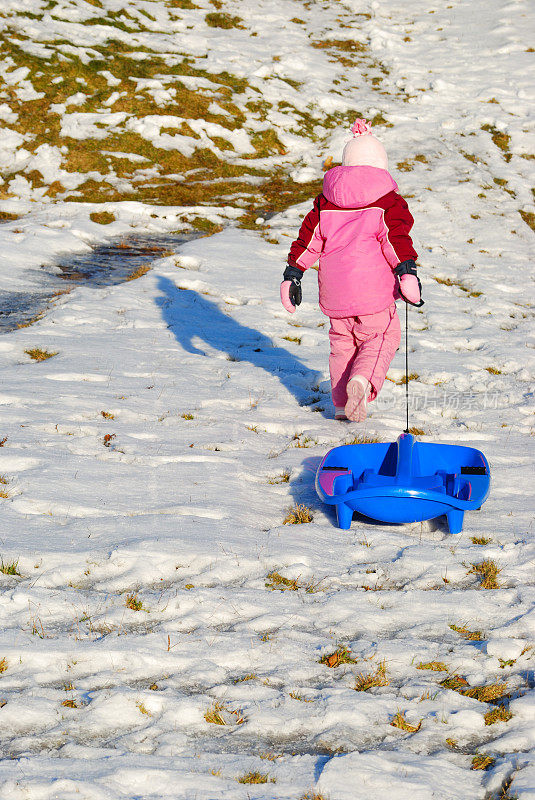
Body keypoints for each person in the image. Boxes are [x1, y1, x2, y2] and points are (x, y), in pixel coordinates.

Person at [281, 118, 422, 422]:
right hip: (372, 293)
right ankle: (363, 382)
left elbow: (309, 239)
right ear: (380, 166)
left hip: (335, 295)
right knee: (382, 336)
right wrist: (406, 270)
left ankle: (342, 405)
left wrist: (293, 273)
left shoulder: (326, 202)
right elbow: (395, 238)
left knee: (342, 345)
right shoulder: (387, 202)